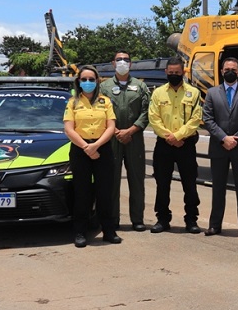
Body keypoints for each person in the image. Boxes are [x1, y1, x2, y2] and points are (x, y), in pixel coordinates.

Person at [63, 65, 119, 248]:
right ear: (79, 82)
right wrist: (86, 147)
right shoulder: (72, 103)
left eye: (91, 79)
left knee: (105, 191)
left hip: (102, 147)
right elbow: (69, 129)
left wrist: (96, 146)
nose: (88, 83)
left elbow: (110, 126)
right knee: (82, 192)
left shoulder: (105, 101)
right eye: (84, 79)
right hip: (80, 149)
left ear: (97, 81)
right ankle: (80, 232)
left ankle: (109, 231)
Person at [202, 57, 238, 238]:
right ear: (221, 71)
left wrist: (236, 138)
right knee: (218, 188)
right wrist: (223, 138)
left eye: (233, 69)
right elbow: (208, 119)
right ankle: (214, 225)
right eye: (227, 68)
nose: (230, 71)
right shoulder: (211, 93)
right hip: (219, 147)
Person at [148, 57, 203, 234]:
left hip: (186, 145)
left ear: (183, 72)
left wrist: (179, 136)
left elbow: (196, 119)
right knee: (162, 184)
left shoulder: (194, 93)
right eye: (170, 73)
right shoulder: (158, 93)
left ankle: (191, 220)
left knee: (190, 185)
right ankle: (162, 219)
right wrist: (170, 137)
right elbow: (154, 118)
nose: (173, 75)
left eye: (177, 73)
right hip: (164, 145)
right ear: (166, 72)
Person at [100, 50, 150, 232]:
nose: (122, 62)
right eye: (119, 60)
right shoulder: (104, 87)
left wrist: (131, 130)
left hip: (134, 138)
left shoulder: (140, 86)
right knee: (111, 181)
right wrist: (114, 131)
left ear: (131, 64)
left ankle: (137, 219)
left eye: (126, 60)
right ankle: (112, 219)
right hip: (111, 138)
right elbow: (101, 113)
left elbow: (147, 112)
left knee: (136, 180)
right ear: (113, 63)